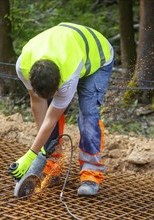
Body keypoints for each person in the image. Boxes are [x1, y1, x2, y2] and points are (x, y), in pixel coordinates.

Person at [10, 22, 114, 196]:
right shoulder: (23, 66)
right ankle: (52, 164)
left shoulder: (69, 74)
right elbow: (37, 102)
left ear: (60, 83)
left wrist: (30, 155)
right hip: (65, 49)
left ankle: (91, 174)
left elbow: (51, 118)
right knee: (49, 106)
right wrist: (42, 148)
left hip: (98, 57)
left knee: (88, 115)